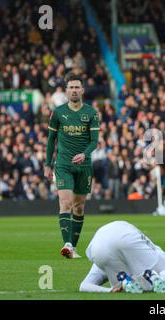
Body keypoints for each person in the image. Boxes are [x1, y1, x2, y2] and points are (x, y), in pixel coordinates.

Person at [44, 72, 100, 259]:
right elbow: (51, 140)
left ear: (82, 90)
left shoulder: (91, 113)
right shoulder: (58, 113)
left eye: (77, 87)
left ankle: (73, 247)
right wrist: (47, 164)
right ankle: (67, 244)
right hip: (63, 165)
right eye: (71, 87)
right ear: (66, 91)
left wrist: (84, 154)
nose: (74, 90)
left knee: (79, 207)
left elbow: (94, 141)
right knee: (65, 203)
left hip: (84, 166)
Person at [79, 221, 165, 293]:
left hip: (97, 248)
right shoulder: (153, 249)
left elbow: (83, 286)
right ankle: (159, 277)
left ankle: (127, 283)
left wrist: (109, 290)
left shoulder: (100, 267)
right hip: (126, 235)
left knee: (133, 281)